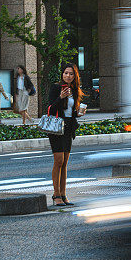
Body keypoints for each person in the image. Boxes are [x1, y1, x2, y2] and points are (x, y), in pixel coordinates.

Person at [47, 63, 87, 207]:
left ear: (74, 76)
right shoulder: (56, 88)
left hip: (69, 128)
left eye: (70, 74)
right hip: (57, 128)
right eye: (65, 73)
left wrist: (79, 113)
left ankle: (63, 194)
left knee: (65, 163)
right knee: (58, 160)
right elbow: (51, 109)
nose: (68, 76)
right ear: (62, 74)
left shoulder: (75, 90)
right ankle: (56, 194)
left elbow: (71, 111)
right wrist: (61, 97)